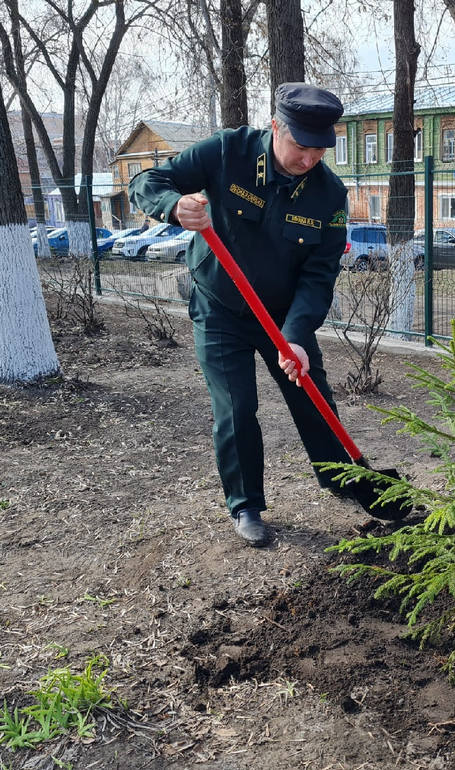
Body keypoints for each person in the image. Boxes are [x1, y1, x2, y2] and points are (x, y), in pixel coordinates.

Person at [129, 82, 352, 548]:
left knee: (313, 396)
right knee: (236, 407)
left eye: (319, 150)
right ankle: (245, 504)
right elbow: (146, 182)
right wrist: (174, 206)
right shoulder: (228, 152)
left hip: (282, 318)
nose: (309, 159)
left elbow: (319, 275)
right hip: (220, 307)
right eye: (301, 146)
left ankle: (344, 479)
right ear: (276, 127)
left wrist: (295, 336)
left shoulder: (329, 194)